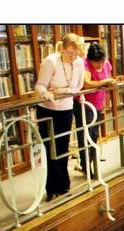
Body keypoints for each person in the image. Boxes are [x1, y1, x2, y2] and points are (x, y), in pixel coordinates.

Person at [34, 33, 85, 201]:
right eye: (70, 52)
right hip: (47, 110)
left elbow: (78, 86)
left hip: (66, 108)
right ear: (62, 49)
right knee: (49, 149)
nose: (73, 56)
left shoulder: (78, 63)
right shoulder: (50, 62)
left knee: (63, 149)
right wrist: (46, 92)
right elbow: (40, 86)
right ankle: (51, 188)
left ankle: (64, 185)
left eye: (76, 53)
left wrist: (61, 91)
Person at [74, 42, 115, 177]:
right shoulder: (84, 64)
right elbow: (86, 84)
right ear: (89, 59)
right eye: (96, 63)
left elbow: (108, 83)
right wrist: (104, 82)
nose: (99, 65)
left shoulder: (106, 63)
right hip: (84, 105)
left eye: (101, 62)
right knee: (85, 136)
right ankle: (86, 166)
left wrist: (107, 101)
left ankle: (89, 163)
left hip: (98, 104)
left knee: (94, 136)